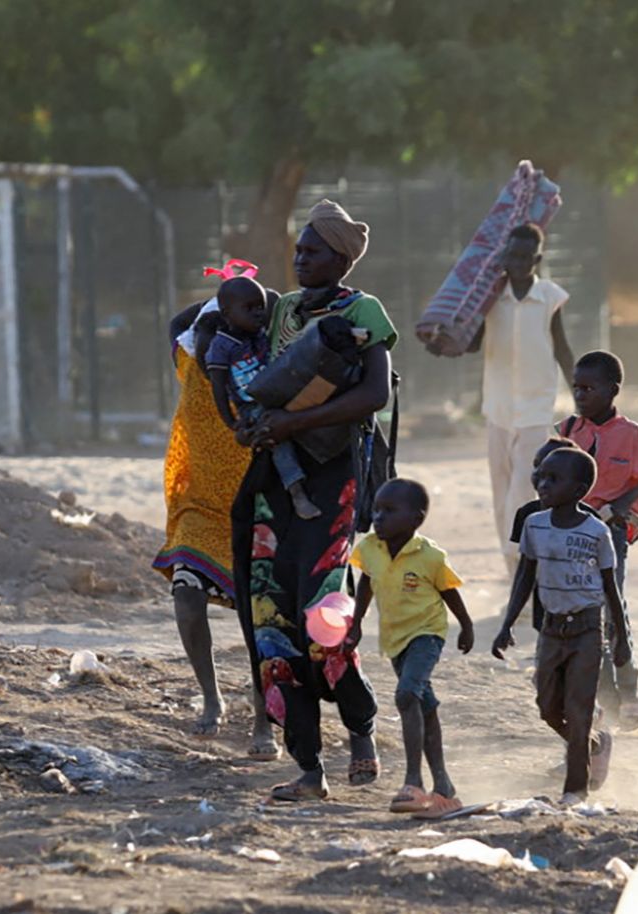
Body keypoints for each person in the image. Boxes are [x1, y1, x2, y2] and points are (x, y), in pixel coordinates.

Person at [232, 199, 395, 802]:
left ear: (342, 258)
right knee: (272, 622)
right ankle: (308, 767)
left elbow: (374, 394)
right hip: (277, 482)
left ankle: (361, 730)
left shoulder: (363, 311)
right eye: (298, 251)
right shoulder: (283, 313)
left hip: (334, 480)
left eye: (313, 251)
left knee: (324, 619)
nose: (300, 259)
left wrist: (292, 426)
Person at [154, 277, 278, 758]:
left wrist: (247, 302)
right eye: (206, 332)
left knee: (257, 618)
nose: (208, 346)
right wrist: (218, 295)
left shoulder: (257, 368)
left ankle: (263, 715)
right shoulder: (188, 359)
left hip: (253, 504)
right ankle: (211, 696)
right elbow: (177, 322)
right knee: (185, 594)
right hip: (198, 504)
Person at [491, 448, 633, 805]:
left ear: (580, 488)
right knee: (547, 705)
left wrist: (621, 639)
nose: (543, 484)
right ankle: (592, 743)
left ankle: (575, 790)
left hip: (587, 629)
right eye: (540, 476)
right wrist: (506, 624)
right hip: (551, 629)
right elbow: (525, 576)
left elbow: (610, 587)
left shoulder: (596, 532)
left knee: (578, 708)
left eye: (554, 479)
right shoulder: (534, 524)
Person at [346, 478, 474, 819]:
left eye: (389, 511)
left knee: (406, 696)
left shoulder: (430, 555)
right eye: (376, 509)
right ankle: (444, 786)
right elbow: (367, 583)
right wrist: (356, 623)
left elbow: (449, 591)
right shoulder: (370, 548)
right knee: (424, 705)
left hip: (426, 633)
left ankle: (413, 781)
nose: (378, 517)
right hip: (395, 639)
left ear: (415, 519)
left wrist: (467, 624)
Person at [558, 350, 638, 731]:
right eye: (576, 387)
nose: (580, 395)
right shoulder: (568, 431)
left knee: (611, 609)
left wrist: (619, 506)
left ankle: (630, 688)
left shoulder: (631, 435)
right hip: (571, 533)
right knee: (584, 614)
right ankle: (605, 696)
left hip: (611, 534)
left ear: (612, 390)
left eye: (589, 388)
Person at [474, 223, 575, 576]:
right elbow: (472, 343)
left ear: (536, 259)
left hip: (536, 408)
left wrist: (581, 393)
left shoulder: (550, 297)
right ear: (503, 257)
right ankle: (510, 563)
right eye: (510, 255)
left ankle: (523, 560)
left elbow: (561, 348)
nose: (516, 263)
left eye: (523, 257)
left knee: (523, 487)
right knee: (500, 490)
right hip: (498, 408)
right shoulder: (490, 296)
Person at [203, 275, 323, 520]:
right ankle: (296, 491)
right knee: (276, 437)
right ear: (227, 313)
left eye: (260, 307)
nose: (258, 313)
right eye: (249, 308)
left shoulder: (260, 335)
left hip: (278, 393)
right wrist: (232, 422)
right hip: (251, 406)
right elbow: (218, 387)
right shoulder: (221, 346)